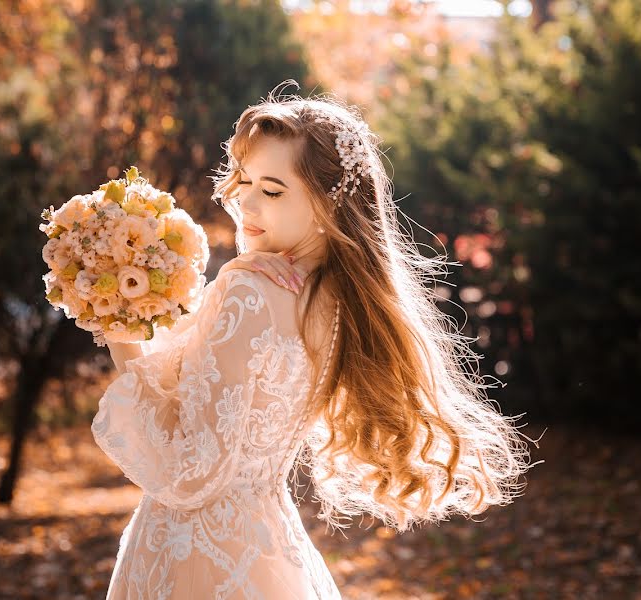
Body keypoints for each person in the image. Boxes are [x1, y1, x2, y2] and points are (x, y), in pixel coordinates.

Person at [91, 80, 538, 599]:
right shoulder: (342, 303)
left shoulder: (250, 291)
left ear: (329, 202)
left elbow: (190, 474)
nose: (247, 204)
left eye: (273, 190)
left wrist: (122, 337)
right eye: (246, 182)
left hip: (195, 559)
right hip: (269, 548)